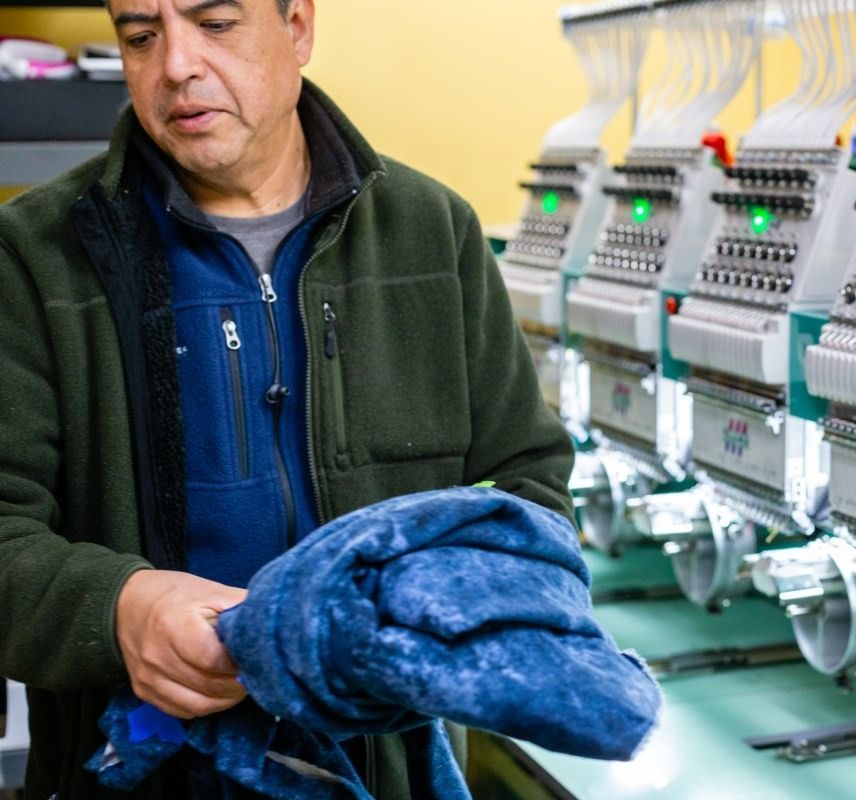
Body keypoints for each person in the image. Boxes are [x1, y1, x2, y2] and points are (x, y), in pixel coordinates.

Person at [0, 0, 575, 797]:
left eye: (216, 23)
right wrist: (119, 608)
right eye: (140, 36)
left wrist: (418, 621)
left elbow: (530, 494)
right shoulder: (33, 256)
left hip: (386, 772)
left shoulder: (432, 232)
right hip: (138, 768)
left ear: (298, 26)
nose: (175, 66)